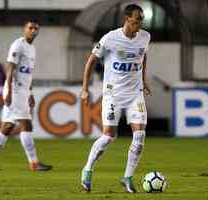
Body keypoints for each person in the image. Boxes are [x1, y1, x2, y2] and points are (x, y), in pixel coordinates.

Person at [80, 4, 151, 193]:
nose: (140, 24)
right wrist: (85, 89)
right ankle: (87, 169)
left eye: (142, 20)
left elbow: (142, 57)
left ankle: (127, 177)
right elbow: (90, 62)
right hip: (113, 94)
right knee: (109, 136)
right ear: (127, 19)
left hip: (135, 93)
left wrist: (144, 80)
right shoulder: (110, 38)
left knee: (140, 135)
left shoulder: (145, 37)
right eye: (137, 20)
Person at [0, 18, 52, 171]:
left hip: (23, 91)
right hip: (15, 89)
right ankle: (34, 163)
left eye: (36, 28)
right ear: (24, 29)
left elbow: (28, 73)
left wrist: (30, 92)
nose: (33, 31)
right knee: (26, 124)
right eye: (30, 28)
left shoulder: (32, 48)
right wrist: (9, 91)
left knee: (7, 126)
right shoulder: (18, 45)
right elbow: (10, 68)